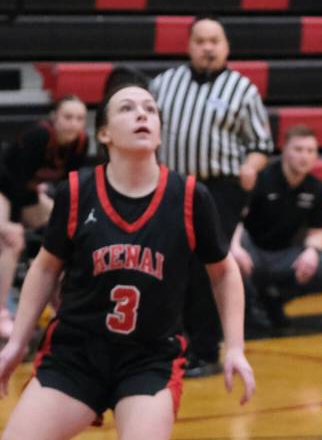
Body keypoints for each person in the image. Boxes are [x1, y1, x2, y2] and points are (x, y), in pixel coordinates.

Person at [0, 83, 255, 440]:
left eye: (150, 109)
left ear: (160, 132)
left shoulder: (189, 196)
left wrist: (237, 347)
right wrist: (16, 343)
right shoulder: (76, 191)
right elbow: (45, 268)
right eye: (127, 108)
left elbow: (224, 273)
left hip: (149, 359)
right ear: (104, 133)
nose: (142, 115)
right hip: (75, 355)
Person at [150, 14, 274, 377]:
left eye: (214, 41)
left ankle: (204, 351)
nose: (207, 47)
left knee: (206, 267)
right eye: (200, 40)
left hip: (219, 189)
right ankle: (171, 342)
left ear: (226, 47)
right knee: (171, 261)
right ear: (189, 45)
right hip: (172, 184)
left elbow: (261, 144)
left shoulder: (243, 89)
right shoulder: (162, 84)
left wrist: (251, 166)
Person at [230, 125, 322, 328]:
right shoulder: (262, 178)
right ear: (285, 151)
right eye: (298, 150)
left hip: (283, 256)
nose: (304, 156)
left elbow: (317, 232)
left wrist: (312, 251)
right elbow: (235, 221)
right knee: (233, 249)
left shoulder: (317, 188)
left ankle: (274, 299)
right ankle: (250, 307)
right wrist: (235, 248)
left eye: (310, 151)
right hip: (251, 252)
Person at [0, 96, 89, 339]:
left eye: (79, 118)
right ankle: (2, 313)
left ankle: (59, 307)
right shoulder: (39, 137)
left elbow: (67, 187)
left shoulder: (80, 142)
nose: (73, 124)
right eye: (68, 117)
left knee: (70, 234)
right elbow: (13, 180)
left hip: (26, 191)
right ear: (55, 118)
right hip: (5, 187)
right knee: (12, 240)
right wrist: (11, 223)